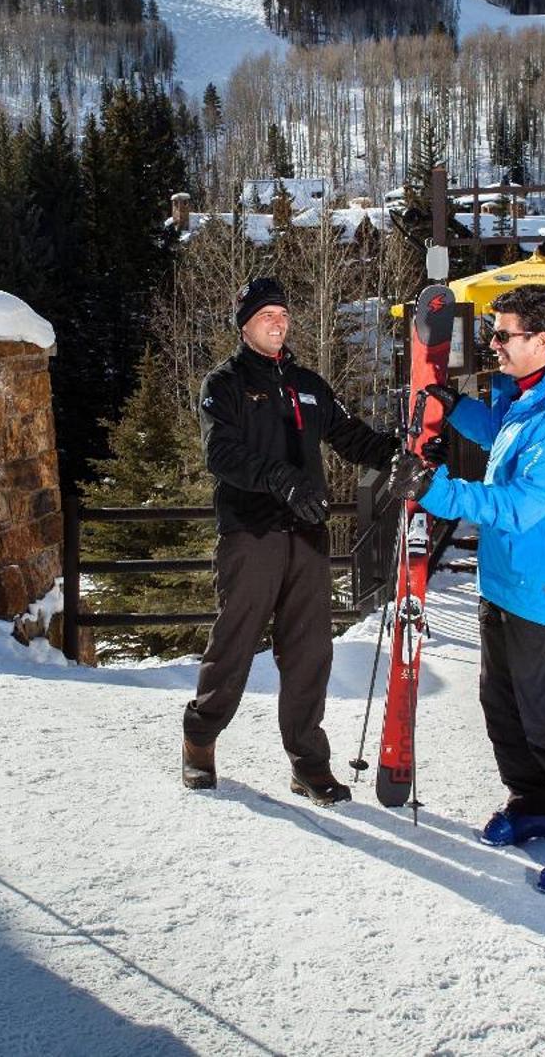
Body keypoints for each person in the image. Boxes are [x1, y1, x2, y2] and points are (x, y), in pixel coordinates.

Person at [389, 283, 545, 894]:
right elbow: (501, 426)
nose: (492, 344)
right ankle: (536, 802)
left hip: (544, 588)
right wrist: (453, 405)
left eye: (503, 335)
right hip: (506, 581)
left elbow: (523, 505)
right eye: (493, 333)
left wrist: (435, 490)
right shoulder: (532, 396)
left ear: (542, 341)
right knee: (503, 704)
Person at [184, 276, 404, 805]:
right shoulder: (225, 383)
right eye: (265, 315)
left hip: (307, 535)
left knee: (310, 651)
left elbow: (349, 436)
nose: (277, 321)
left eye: (282, 313)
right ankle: (200, 737)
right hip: (250, 532)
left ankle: (308, 764)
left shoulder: (308, 383)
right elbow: (222, 454)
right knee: (234, 644)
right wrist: (281, 479)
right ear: (245, 325)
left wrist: (397, 453)